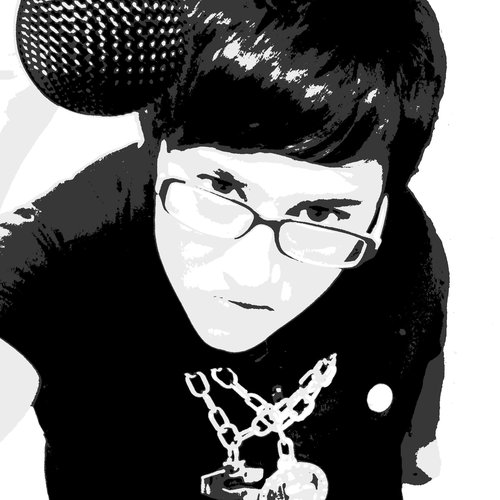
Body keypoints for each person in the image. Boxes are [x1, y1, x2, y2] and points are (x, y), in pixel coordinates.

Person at [0, 0, 448, 498]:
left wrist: (420, 444)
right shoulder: (64, 258)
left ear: (380, 210)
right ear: (158, 148)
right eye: (221, 189)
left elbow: (418, 399)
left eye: (320, 215)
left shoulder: (407, 246)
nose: (253, 274)